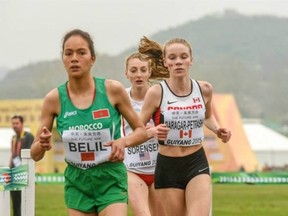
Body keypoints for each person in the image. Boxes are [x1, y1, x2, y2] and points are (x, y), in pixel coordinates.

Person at [30, 29, 148, 216]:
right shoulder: (54, 99)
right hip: (78, 183)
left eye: (81, 52)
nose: (74, 58)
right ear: (63, 59)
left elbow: (142, 131)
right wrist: (42, 145)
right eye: (68, 53)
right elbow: (34, 154)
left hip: (110, 178)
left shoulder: (112, 90)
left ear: (92, 58)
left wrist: (123, 142)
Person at [138, 36, 232, 216]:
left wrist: (218, 129)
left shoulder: (204, 89)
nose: (178, 62)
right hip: (168, 166)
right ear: (165, 62)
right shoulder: (156, 92)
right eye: (172, 58)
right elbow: (138, 128)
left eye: (183, 57)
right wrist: (152, 131)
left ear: (191, 60)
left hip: (196, 161)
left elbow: (208, 116)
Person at [122, 53, 166, 216]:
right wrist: (149, 132)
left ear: (149, 72)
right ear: (126, 73)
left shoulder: (161, 96)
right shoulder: (121, 98)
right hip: (132, 168)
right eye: (133, 70)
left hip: (159, 168)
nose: (138, 75)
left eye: (142, 70)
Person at [9, 115, 34, 216]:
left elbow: (31, 156)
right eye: (13, 123)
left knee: (26, 202)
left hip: (24, 173)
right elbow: (13, 155)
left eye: (17, 123)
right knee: (15, 202)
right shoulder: (14, 138)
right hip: (13, 173)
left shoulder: (28, 136)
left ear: (22, 124)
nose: (14, 126)